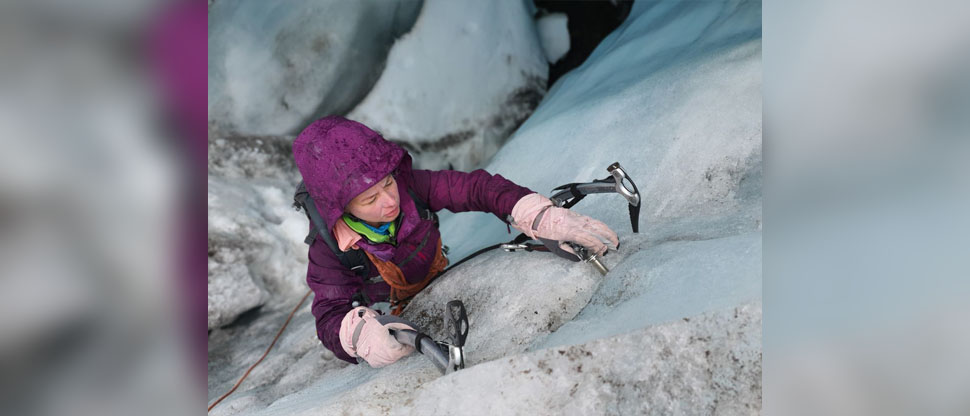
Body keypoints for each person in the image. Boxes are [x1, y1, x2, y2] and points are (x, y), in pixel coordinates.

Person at [292, 116, 619, 367]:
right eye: (369, 199)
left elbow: (476, 189)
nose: (389, 201)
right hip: (385, 317)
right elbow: (329, 314)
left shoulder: (413, 188)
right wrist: (359, 335)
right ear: (341, 207)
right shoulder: (330, 250)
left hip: (436, 277)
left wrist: (532, 212)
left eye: (388, 182)